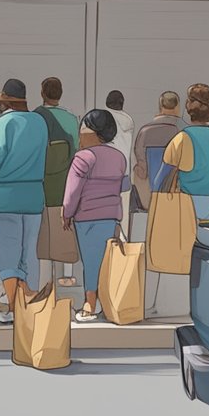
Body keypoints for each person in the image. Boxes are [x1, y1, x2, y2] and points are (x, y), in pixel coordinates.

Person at [0, 79, 48, 324]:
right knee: (29, 252)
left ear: (5, 102)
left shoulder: (3, 123)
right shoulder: (40, 122)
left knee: (6, 255)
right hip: (33, 196)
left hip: (5, 196)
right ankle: (29, 303)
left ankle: (11, 308)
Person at [64, 110, 129, 323]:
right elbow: (123, 186)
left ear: (93, 132)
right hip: (111, 216)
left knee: (91, 261)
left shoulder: (83, 157)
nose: (80, 133)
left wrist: (67, 213)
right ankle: (107, 302)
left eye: (83, 128)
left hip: (87, 217)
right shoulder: (119, 157)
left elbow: (73, 192)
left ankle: (89, 305)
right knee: (105, 261)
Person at [35, 77, 80, 286]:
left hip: (42, 178)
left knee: (44, 225)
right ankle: (67, 273)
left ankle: (45, 274)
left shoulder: (36, 117)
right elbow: (77, 151)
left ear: (43, 93)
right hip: (66, 177)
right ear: (60, 94)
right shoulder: (71, 119)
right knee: (65, 221)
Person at [164, 84, 209, 224]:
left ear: (189, 107)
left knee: (185, 242)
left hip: (186, 199)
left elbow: (165, 172)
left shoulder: (183, 137)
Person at [131, 92, 185, 213]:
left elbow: (141, 165)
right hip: (177, 195)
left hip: (149, 198)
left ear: (160, 107)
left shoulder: (145, 132)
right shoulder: (184, 131)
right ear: (177, 108)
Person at [105, 91, 136, 230]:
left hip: (106, 174)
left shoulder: (103, 116)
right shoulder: (128, 120)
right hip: (125, 172)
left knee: (106, 212)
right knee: (123, 214)